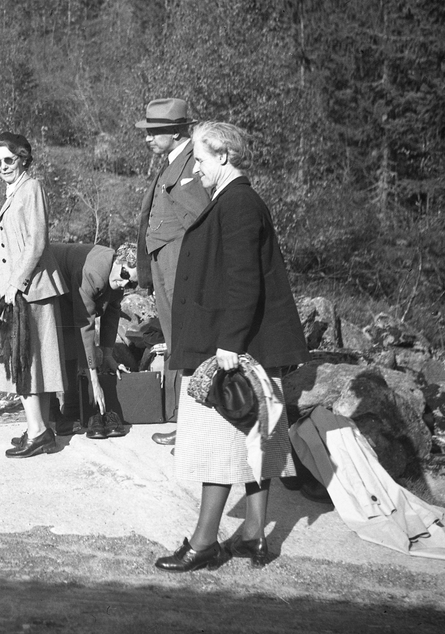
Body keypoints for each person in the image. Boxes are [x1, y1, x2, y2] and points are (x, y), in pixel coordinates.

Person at [155, 121, 309, 572]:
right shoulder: (233, 198)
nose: (196, 169)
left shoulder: (239, 202)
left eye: (200, 159)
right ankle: (253, 534)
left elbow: (243, 281)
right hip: (250, 343)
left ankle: (203, 544)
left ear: (223, 155)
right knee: (251, 441)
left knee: (216, 446)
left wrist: (228, 344)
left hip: (234, 345)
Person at [134, 98, 211, 447]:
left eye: (156, 131)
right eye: (148, 131)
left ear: (178, 131)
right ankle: (186, 422)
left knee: (187, 342)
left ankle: (194, 427)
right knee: (176, 340)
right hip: (165, 261)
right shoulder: (173, 162)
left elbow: (201, 219)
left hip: (180, 262)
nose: (148, 137)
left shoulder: (194, 164)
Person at [0, 133, 69, 458]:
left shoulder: (31, 187)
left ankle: (39, 431)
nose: (3, 167)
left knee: (25, 360)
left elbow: (37, 241)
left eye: (8, 159)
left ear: (22, 157)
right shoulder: (15, 191)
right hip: (23, 290)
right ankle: (39, 427)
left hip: (30, 290)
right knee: (29, 360)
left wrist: (15, 285)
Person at [48, 242, 139, 439]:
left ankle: (73, 408)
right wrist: (94, 379)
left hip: (70, 286)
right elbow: (84, 324)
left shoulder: (117, 278)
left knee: (72, 343)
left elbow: (112, 312)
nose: (125, 284)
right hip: (50, 275)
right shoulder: (94, 273)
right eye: (125, 276)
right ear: (118, 260)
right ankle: (53, 412)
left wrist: (107, 355)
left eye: (132, 283)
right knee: (54, 344)